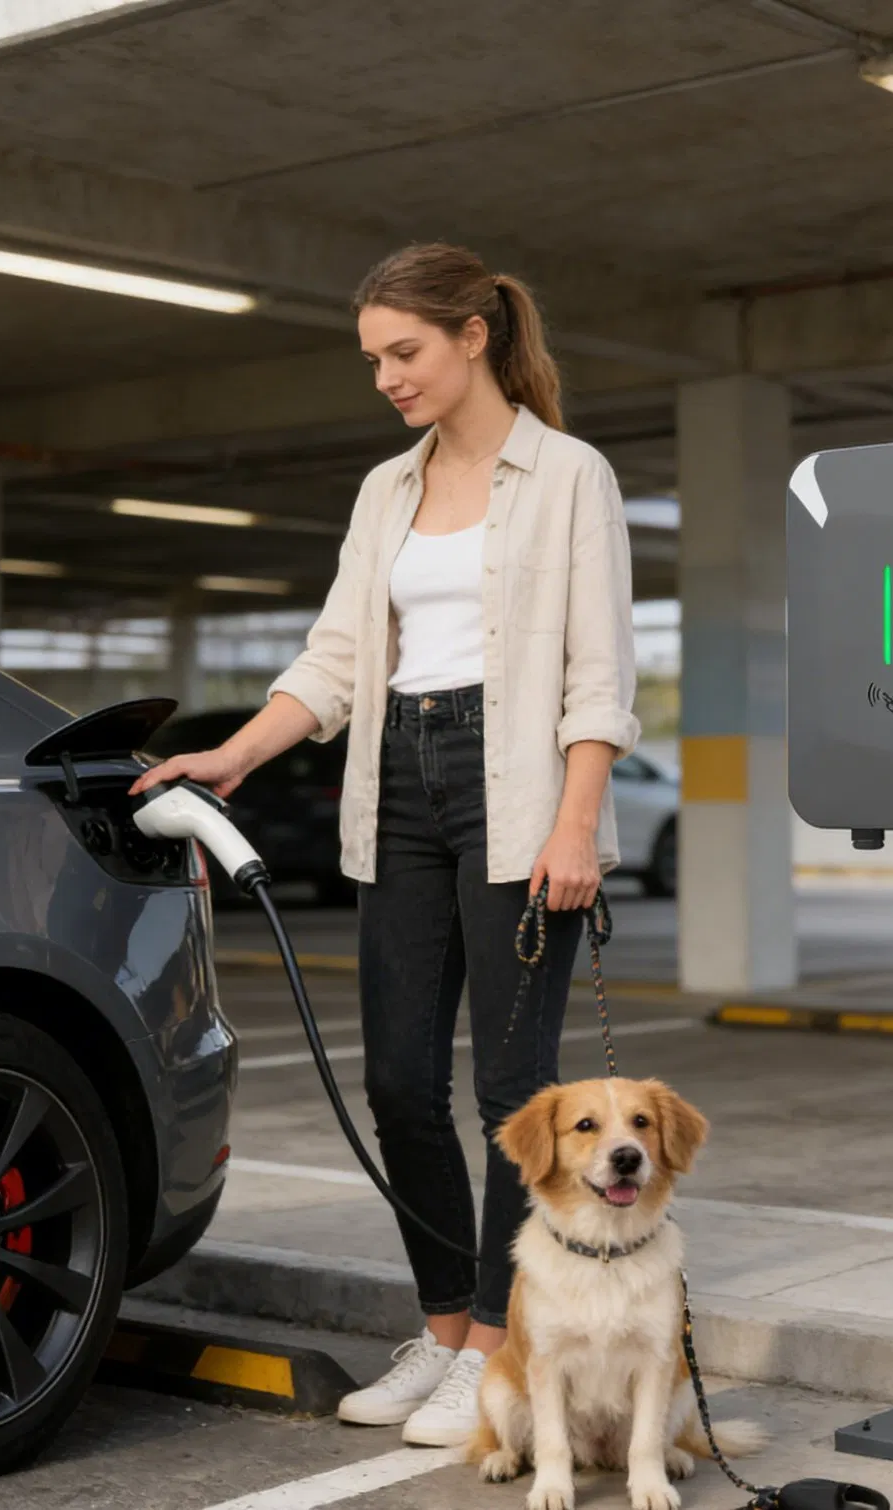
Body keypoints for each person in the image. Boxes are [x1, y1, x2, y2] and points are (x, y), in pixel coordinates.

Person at [132, 242, 640, 1446]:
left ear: (474, 335)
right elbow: (340, 660)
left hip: (518, 793)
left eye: (402, 353)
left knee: (515, 1097)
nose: (386, 379)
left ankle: (507, 1346)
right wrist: (239, 753)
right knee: (399, 1083)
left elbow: (597, 670)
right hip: (399, 784)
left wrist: (576, 823)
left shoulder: (570, 475)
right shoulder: (385, 491)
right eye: (372, 360)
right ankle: (447, 1329)